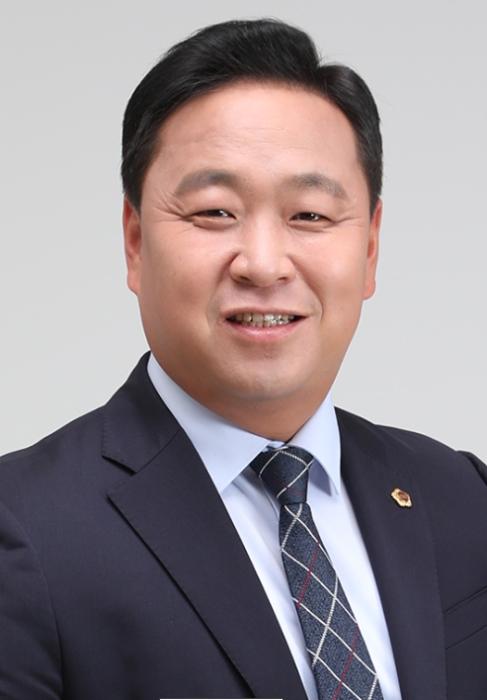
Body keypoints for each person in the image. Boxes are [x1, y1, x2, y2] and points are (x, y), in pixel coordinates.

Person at [0, 17, 486, 700]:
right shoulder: (24, 528)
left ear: (370, 249)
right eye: (214, 213)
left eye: (309, 215)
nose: (262, 263)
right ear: (135, 242)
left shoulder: (460, 495)